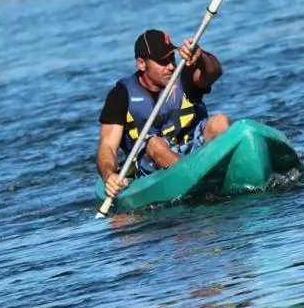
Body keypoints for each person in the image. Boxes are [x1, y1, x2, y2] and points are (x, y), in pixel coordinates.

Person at [97, 29, 231, 198]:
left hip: (193, 150)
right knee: (155, 144)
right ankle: (200, 183)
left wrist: (201, 56)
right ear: (141, 64)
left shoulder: (184, 77)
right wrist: (109, 175)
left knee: (220, 121)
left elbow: (213, 72)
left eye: (172, 58)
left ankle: (226, 172)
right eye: (162, 61)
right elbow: (107, 145)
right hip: (151, 166)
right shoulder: (121, 95)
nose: (171, 66)